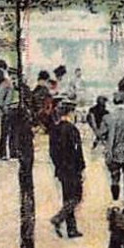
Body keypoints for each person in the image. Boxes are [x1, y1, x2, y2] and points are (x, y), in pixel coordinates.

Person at [48, 99, 86, 238]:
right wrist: (81, 167)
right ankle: (59, 218)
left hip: (61, 169)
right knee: (77, 196)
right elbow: (77, 151)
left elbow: (52, 152)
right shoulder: (72, 129)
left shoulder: (55, 129)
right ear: (70, 113)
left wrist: (58, 166)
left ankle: (71, 228)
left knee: (67, 197)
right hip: (72, 168)